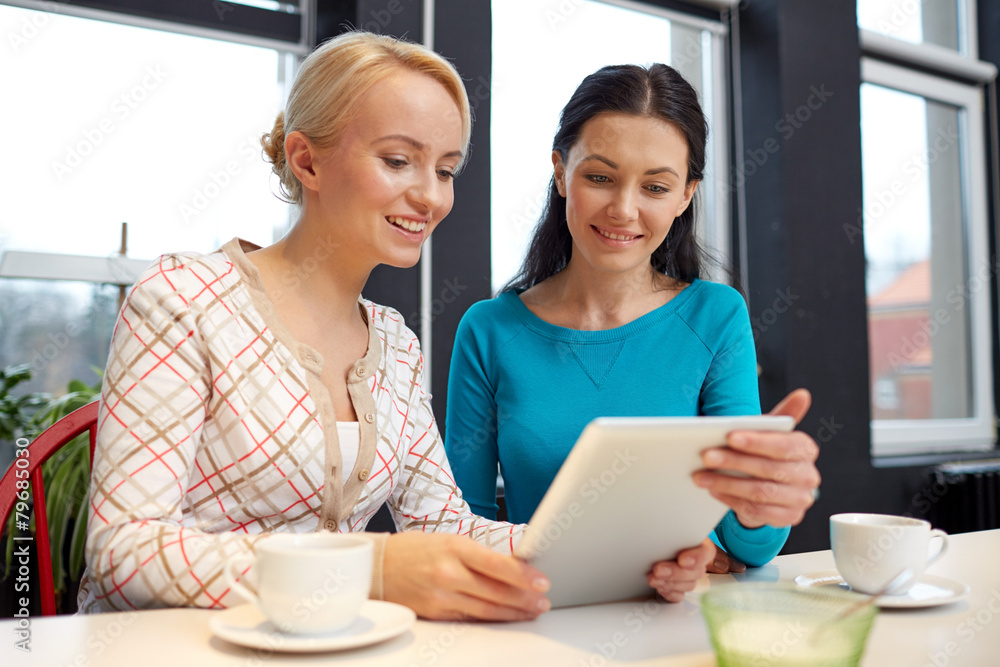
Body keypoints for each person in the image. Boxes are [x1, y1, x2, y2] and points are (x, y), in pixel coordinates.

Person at [78, 31, 551, 621]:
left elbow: (441, 525)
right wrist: (370, 568)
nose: (431, 196)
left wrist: (616, 548)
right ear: (307, 160)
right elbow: (123, 551)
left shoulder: (395, 343)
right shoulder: (183, 300)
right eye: (398, 161)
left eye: (446, 169)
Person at [444, 64, 821, 603]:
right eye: (599, 177)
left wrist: (755, 502)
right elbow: (460, 526)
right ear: (560, 172)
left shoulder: (716, 317)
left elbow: (750, 549)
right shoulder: (489, 331)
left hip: (678, 621)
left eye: (656, 186)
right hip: (535, 616)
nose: (623, 209)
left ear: (686, 195)